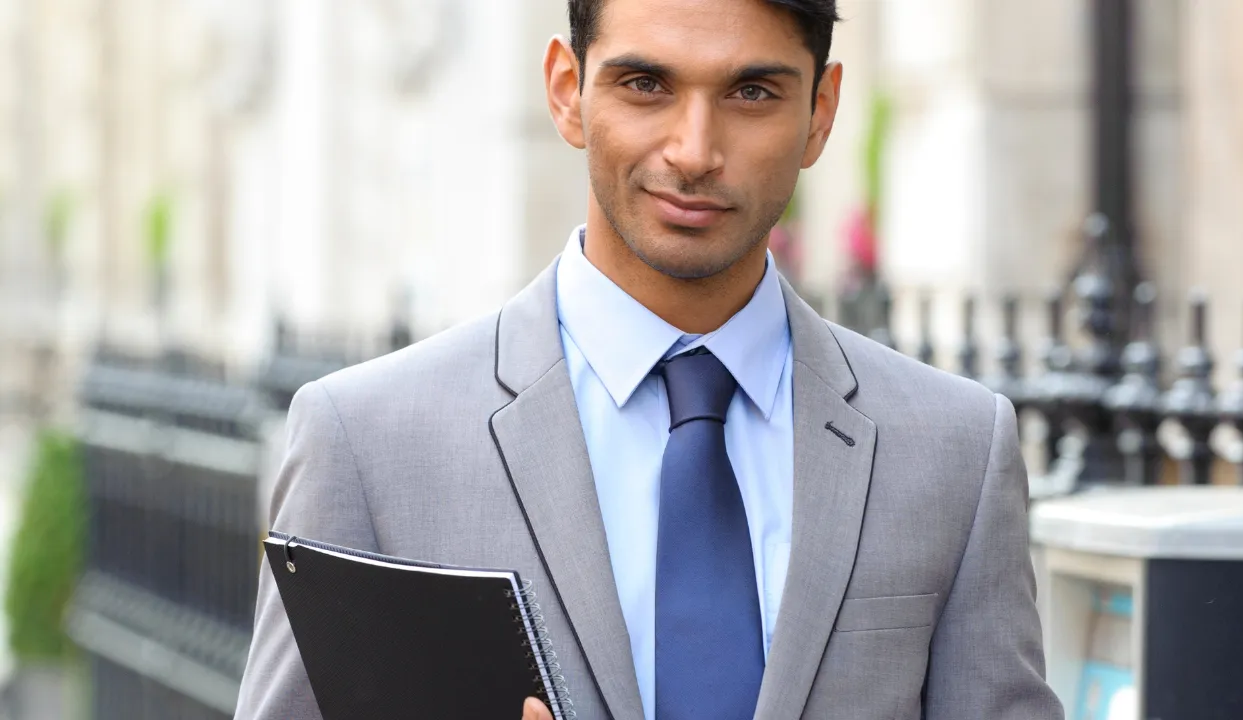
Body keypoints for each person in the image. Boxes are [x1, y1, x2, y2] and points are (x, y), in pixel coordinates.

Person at [234, 0, 1065, 718]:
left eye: (751, 92)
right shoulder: (369, 440)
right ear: (567, 91)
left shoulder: (955, 449)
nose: (694, 150)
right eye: (646, 84)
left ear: (820, 111)